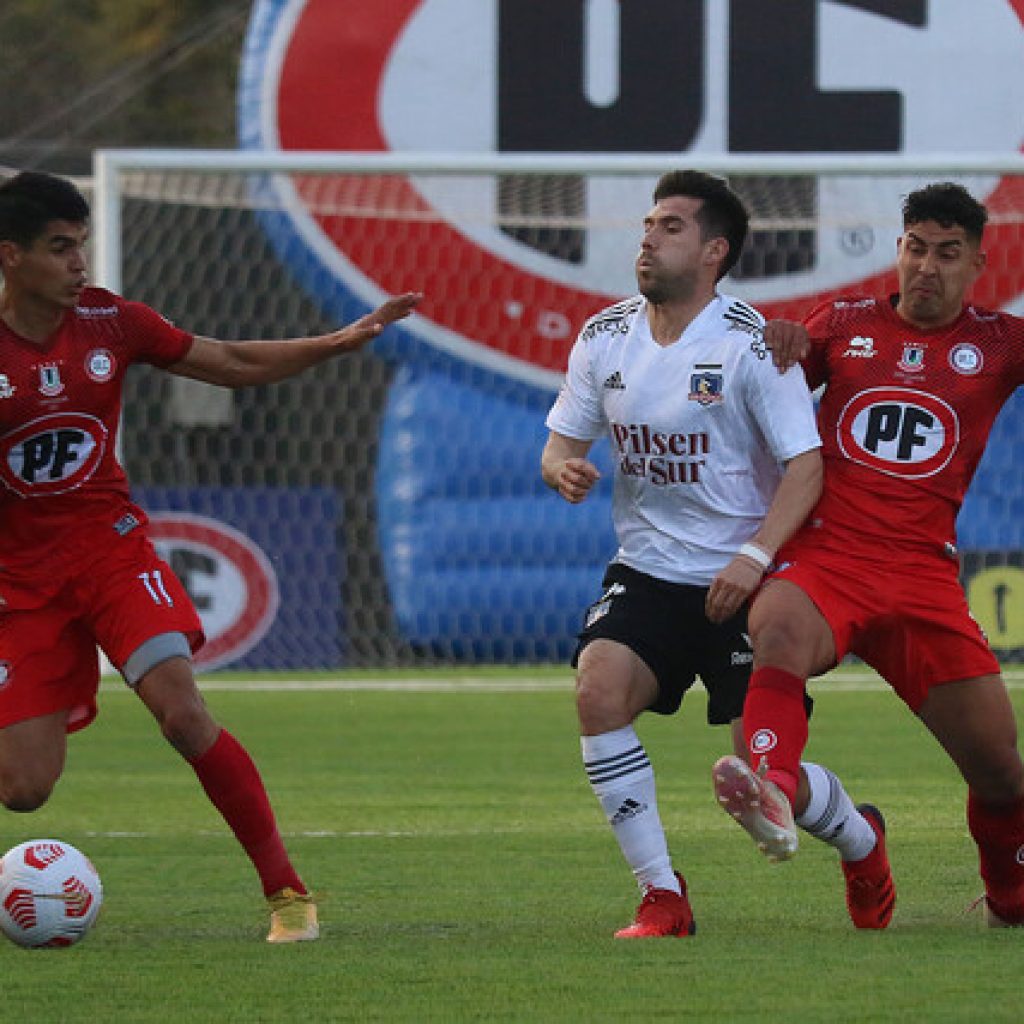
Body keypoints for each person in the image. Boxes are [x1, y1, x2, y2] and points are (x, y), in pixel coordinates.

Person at [0, 170, 421, 943]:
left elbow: (228, 360)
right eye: (59, 250)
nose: (78, 265)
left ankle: (288, 895)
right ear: (11, 256)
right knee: (24, 790)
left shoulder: (111, 323)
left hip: (110, 552)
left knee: (181, 710)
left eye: (80, 247)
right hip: (18, 583)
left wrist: (337, 341)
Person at [541, 169, 891, 939]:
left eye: (670, 226)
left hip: (747, 580)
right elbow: (562, 439)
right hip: (649, 572)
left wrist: (755, 558)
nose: (648, 236)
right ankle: (662, 895)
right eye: (648, 223)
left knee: (771, 781)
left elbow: (807, 468)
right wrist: (561, 467)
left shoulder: (751, 346)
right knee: (597, 691)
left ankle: (864, 843)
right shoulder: (604, 336)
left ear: (713, 251)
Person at [713, 180, 1024, 929]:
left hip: (923, 577)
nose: (927, 267)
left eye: (948, 254)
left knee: (1001, 771)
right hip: (830, 561)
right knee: (778, 627)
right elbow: (759, 390)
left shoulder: (1000, 343)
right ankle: (772, 786)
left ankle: (1011, 902)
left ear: (977, 263)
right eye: (916, 248)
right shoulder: (844, 324)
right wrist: (781, 344)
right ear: (898, 250)